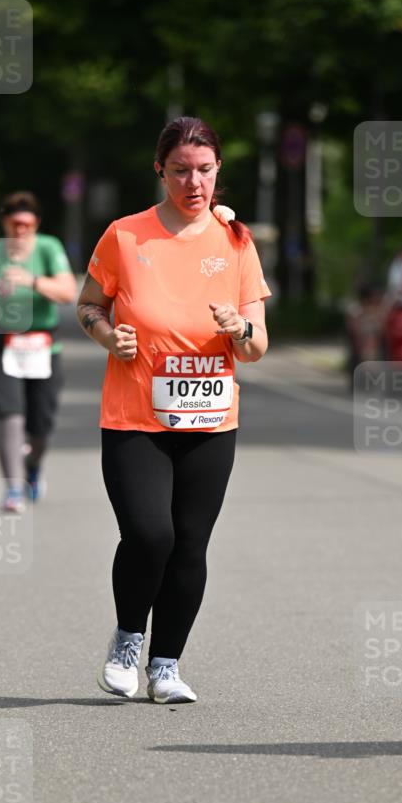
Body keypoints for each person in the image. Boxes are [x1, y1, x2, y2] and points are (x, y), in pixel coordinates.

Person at [77, 116, 271, 704]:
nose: (195, 183)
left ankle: (166, 665)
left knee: (190, 544)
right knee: (149, 534)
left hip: (211, 421)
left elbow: (257, 347)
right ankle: (127, 640)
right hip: (135, 417)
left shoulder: (236, 242)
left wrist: (239, 329)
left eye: (205, 170)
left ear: (218, 171)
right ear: (160, 170)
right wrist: (108, 336)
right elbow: (89, 306)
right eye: (182, 170)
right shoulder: (125, 236)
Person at [0, 192, 77, 512]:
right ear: (4, 222)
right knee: (10, 416)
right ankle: (13, 488)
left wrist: (33, 281)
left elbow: (68, 292)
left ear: (36, 224)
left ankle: (33, 466)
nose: (21, 230)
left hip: (43, 347)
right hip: (0, 346)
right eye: (15, 223)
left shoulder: (48, 248)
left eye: (27, 224)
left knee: (41, 426)